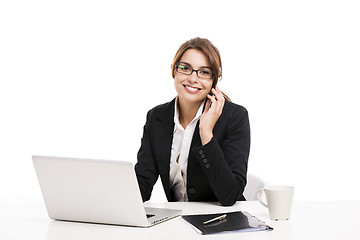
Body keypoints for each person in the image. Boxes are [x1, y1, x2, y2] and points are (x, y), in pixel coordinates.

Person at [135, 37, 250, 206]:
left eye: (204, 72)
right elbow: (142, 184)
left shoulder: (235, 117)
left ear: (214, 79)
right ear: (174, 71)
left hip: (223, 223)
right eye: (185, 68)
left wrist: (206, 132)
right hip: (177, 223)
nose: (193, 78)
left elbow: (230, 195)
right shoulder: (156, 117)